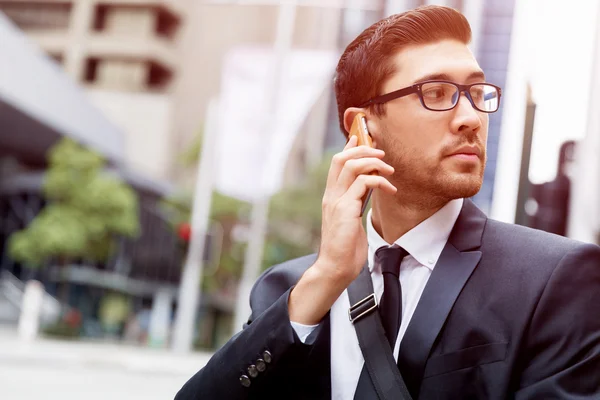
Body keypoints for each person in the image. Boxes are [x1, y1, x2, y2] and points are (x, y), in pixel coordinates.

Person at [175, 5, 600, 399]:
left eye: (477, 92)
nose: (471, 117)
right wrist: (326, 276)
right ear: (362, 127)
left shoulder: (557, 280)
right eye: (436, 93)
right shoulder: (288, 289)